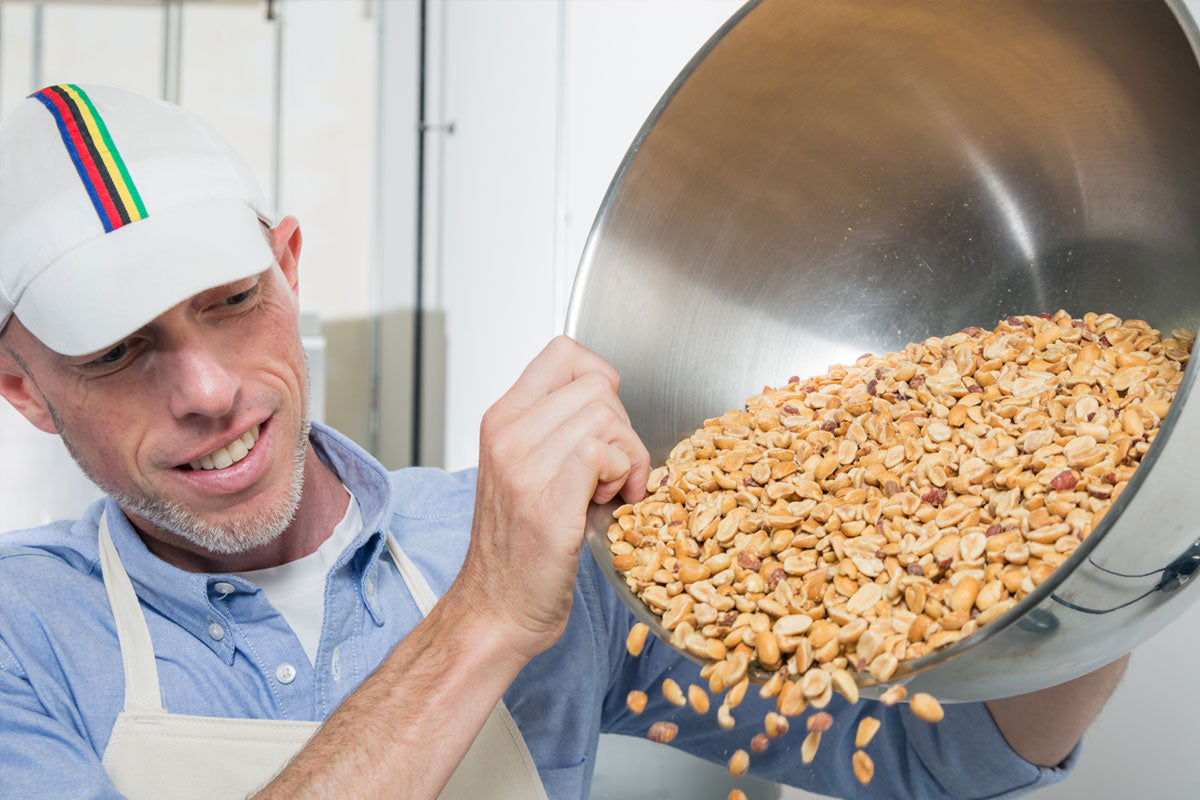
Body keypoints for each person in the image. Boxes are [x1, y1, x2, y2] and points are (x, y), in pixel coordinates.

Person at [0, 84, 1125, 800]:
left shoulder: (530, 542)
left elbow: (943, 754)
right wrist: (484, 615)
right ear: (26, 389)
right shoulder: (24, 638)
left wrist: (1120, 545)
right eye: (116, 352)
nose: (205, 388)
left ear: (291, 265)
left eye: (235, 299)